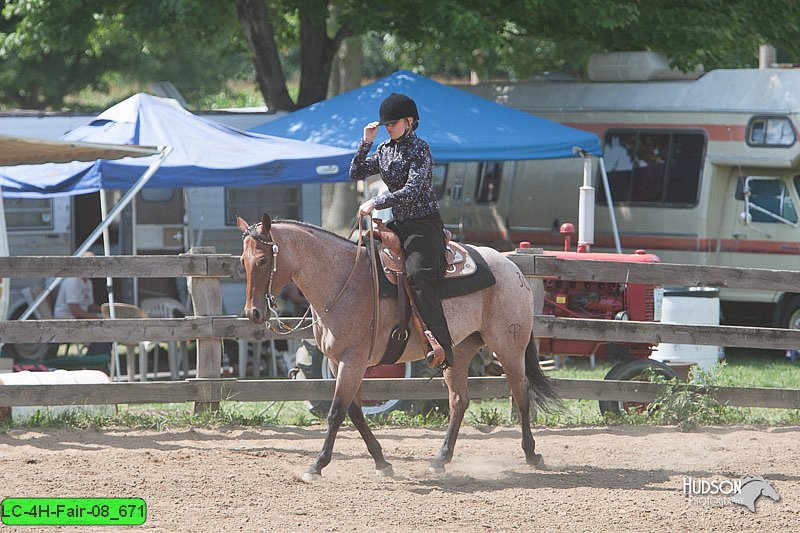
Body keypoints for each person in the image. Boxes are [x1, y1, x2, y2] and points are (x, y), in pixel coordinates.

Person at [349, 92, 454, 368]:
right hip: (399, 223)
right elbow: (355, 172)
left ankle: (442, 345)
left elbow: (411, 190)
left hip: (424, 223)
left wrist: (376, 201)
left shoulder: (421, 149)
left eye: (393, 123)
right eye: (386, 124)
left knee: (418, 273)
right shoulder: (383, 149)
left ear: (409, 121)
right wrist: (365, 143)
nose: (389, 127)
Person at [53, 251, 111, 355]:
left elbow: (89, 305)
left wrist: (106, 310)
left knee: (109, 328)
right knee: (101, 329)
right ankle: (93, 360)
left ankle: (98, 359)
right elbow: (74, 309)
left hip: (79, 317)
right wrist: (95, 318)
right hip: (67, 318)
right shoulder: (73, 281)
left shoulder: (88, 282)